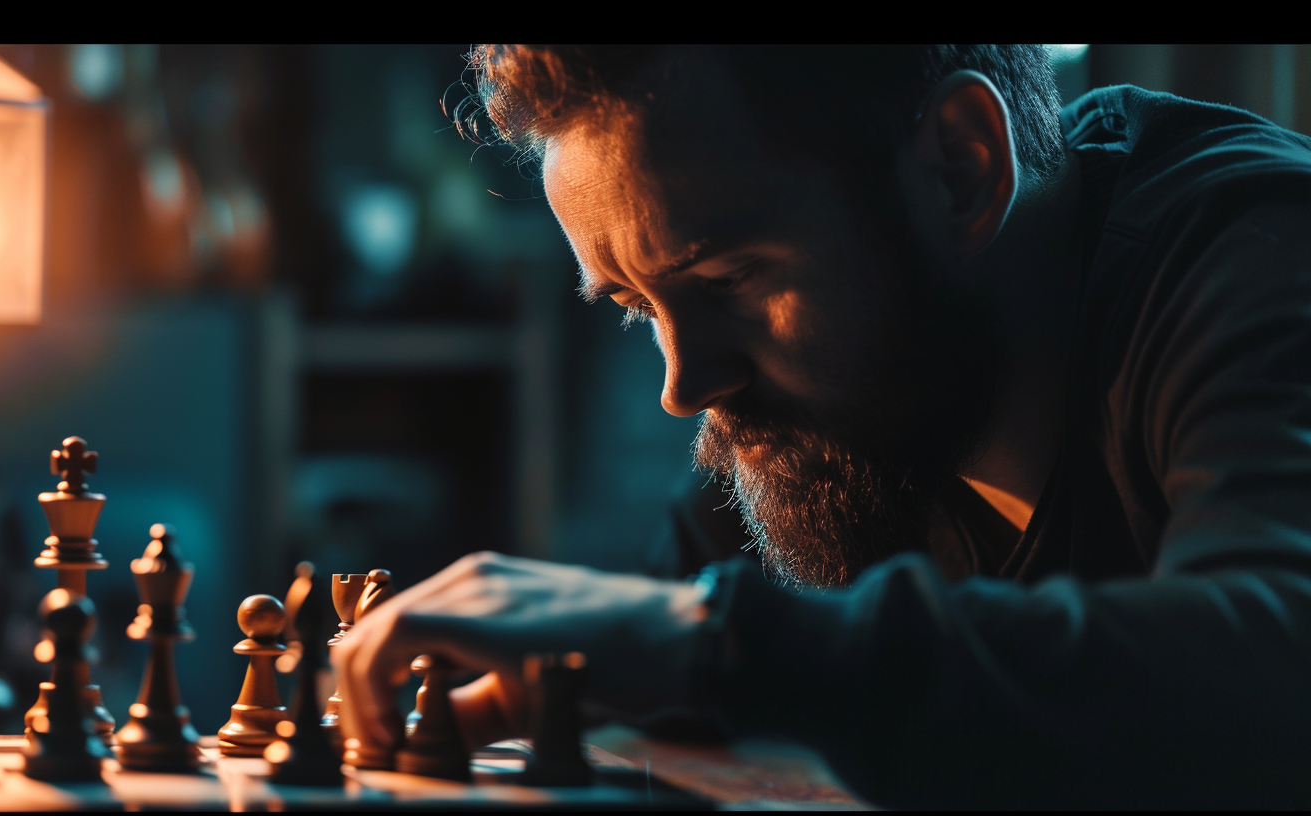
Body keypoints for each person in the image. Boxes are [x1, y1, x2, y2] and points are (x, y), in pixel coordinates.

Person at [335, 45, 1311, 807]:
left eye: (730, 281)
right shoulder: (818, 424)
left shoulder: (1259, 262)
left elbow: (1273, 675)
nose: (686, 383)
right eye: (636, 305)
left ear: (960, 168)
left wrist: (707, 646)